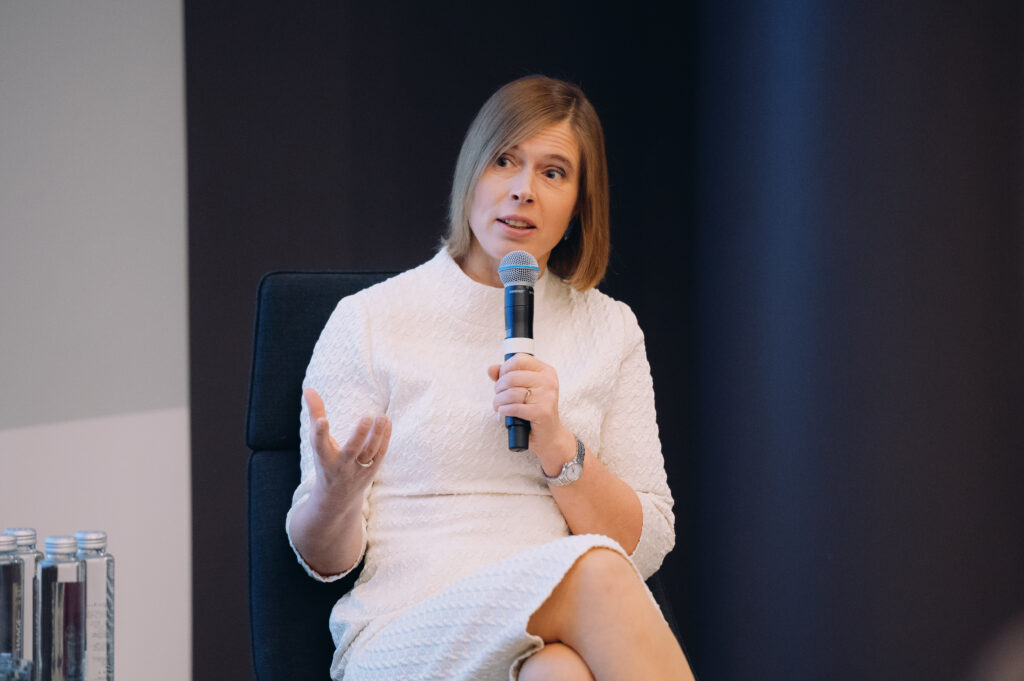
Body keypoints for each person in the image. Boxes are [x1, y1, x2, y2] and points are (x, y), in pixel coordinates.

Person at [287, 75, 695, 681]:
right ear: (472, 173)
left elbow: (649, 543)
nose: (524, 191)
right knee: (598, 571)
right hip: (408, 632)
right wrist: (336, 495)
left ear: (581, 202)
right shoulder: (369, 320)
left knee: (559, 673)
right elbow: (323, 560)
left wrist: (558, 443)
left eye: (553, 173)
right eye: (505, 161)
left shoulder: (610, 329)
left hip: (549, 636)